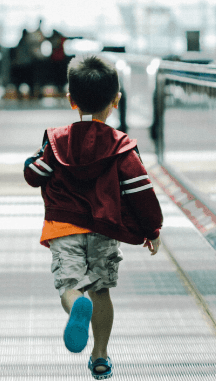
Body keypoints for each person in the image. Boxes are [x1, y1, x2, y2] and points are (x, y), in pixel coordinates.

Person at [24, 55, 163, 379]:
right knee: (101, 290)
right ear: (116, 100)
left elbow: (34, 175)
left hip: (63, 226)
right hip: (104, 226)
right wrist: (151, 229)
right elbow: (139, 191)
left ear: (71, 100)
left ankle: (76, 306)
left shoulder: (56, 141)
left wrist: (33, 157)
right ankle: (100, 356)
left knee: (69, 285)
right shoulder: (122, 146)